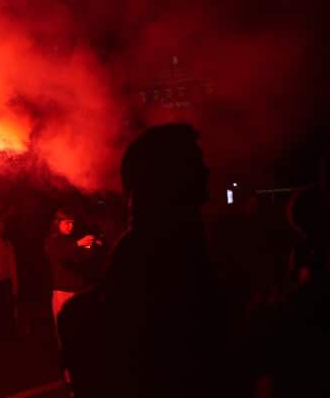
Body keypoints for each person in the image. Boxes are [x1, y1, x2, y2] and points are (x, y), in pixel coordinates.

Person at [59, 123, 232, 397]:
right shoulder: (159, 250)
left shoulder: (172, 242)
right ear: (170, 178)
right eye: (195, 163)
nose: (206, 171)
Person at [45, 207, 98, 333]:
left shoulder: (75, 239)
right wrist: (78, 245)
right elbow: (62, 255)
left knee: (81, 331)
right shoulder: (52, 241)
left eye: (73, 222)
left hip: (78, 292)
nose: (71, 226)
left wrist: (92, 246)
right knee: (64, 332)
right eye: (67, 222)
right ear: (58, 223)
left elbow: (86, 259)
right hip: (62, 293)